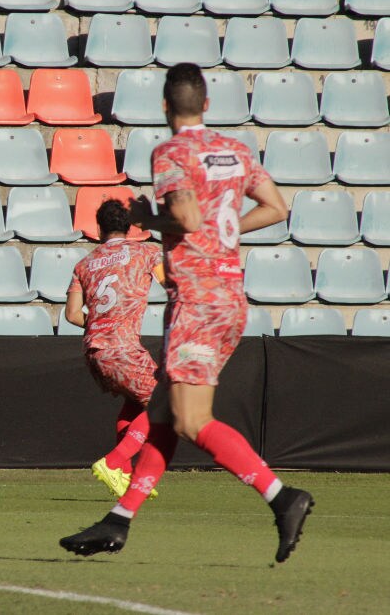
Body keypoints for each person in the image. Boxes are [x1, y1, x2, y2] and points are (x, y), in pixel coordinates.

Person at [60, 63, 313, 563]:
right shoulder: (235, 151)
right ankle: (119, 520)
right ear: (208, 106)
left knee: (193, 420)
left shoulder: (172, 151)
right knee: (164, 413)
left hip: (196, 298)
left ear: (164, 106)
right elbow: (277, 208)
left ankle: (282, 497)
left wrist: (144, 217)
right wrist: (228, 232)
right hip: (230, 298)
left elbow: (188, 216)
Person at [65, 199, 164, 499]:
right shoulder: (146, 252)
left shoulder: (83, 264)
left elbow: (71, 314)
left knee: (135, 403)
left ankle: (126, 475)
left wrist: (101, 325)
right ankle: (114, 462)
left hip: (94, 350)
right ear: (130, 228)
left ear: (99, 229)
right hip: (123, 348)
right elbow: (170, 285)